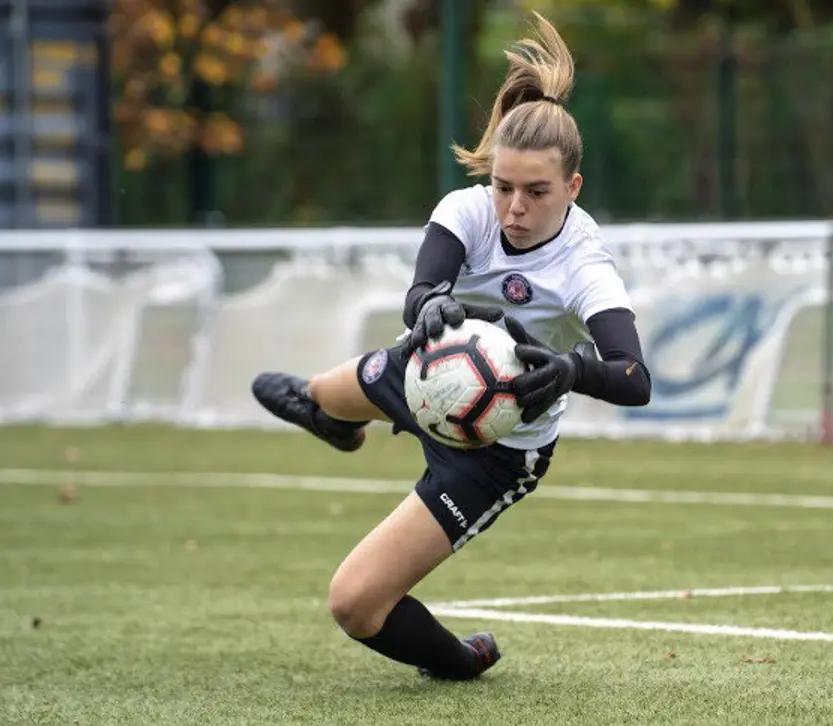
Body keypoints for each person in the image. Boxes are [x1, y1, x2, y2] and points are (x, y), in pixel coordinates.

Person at [252, 12, 651, 681]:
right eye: (503, 186)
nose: (514, 207)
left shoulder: (586, 267)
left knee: (354, 603)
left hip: (497, 448)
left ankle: (458, 662)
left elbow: (634, 377)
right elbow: (422, 290)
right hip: (427, 371)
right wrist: (429, 303)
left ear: (573, 189)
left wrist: (570, 368)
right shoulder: (466, 209)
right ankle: (332, 418)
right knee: (312, 395)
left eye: (536, 192)